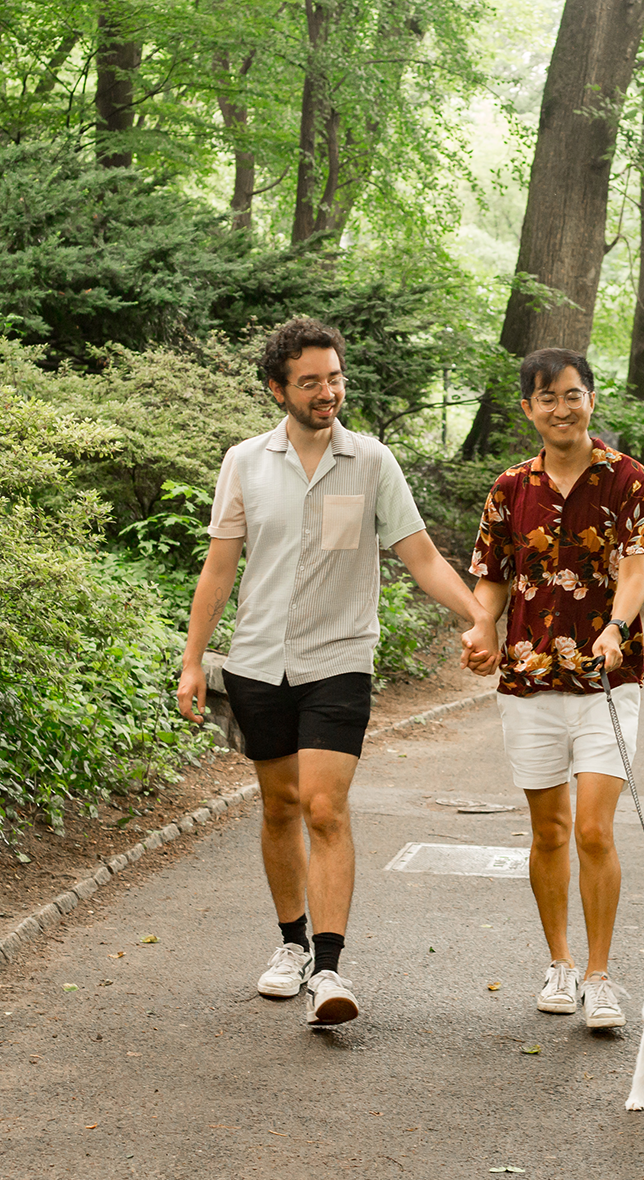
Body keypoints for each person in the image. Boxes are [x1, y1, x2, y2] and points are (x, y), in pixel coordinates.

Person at [176, 316, 499, 1027]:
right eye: (311, 381)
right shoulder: (246, 462)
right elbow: (220, 567)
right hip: (260, 661)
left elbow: (419, 554)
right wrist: (194, 659)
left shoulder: (373, 462)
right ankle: (289, 946)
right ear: (278, 389)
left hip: (339, 659)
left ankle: (328, 968)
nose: (329, 392)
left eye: (335, 377)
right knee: (280, 806)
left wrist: (478, 618)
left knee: (324, 807)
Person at [467, 347, 644, 1029]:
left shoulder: (631, 483)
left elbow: (635, 571)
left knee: (592, 828)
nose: (561, 408)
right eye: (547, 397)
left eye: (572, 395)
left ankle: (601, 975)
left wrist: (615, 627)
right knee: (548, 831)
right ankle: (559, 963)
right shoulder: (508, 489)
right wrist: (480, 630)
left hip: (608, 682)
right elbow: (491, 576)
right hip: (527, 680)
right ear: (528, 408)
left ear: (591, 400)